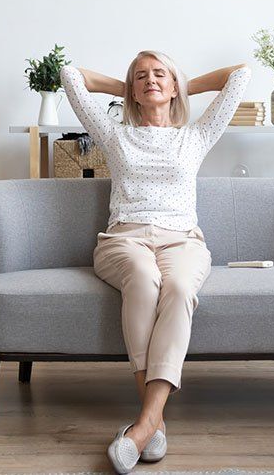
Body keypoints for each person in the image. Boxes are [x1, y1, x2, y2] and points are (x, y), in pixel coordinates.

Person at [59, 51, 251, 474]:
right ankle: (153, 421)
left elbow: (240, 75)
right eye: (141, 76)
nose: (150, 80)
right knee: (144, 281)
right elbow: (69, 76)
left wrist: (182, 82)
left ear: (174, 84)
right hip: (124, 239)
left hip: (183, 241)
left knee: (180, 289)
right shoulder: (115, 134)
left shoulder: (196, 135)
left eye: (159, 74)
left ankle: (145, 425)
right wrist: (122, 86)